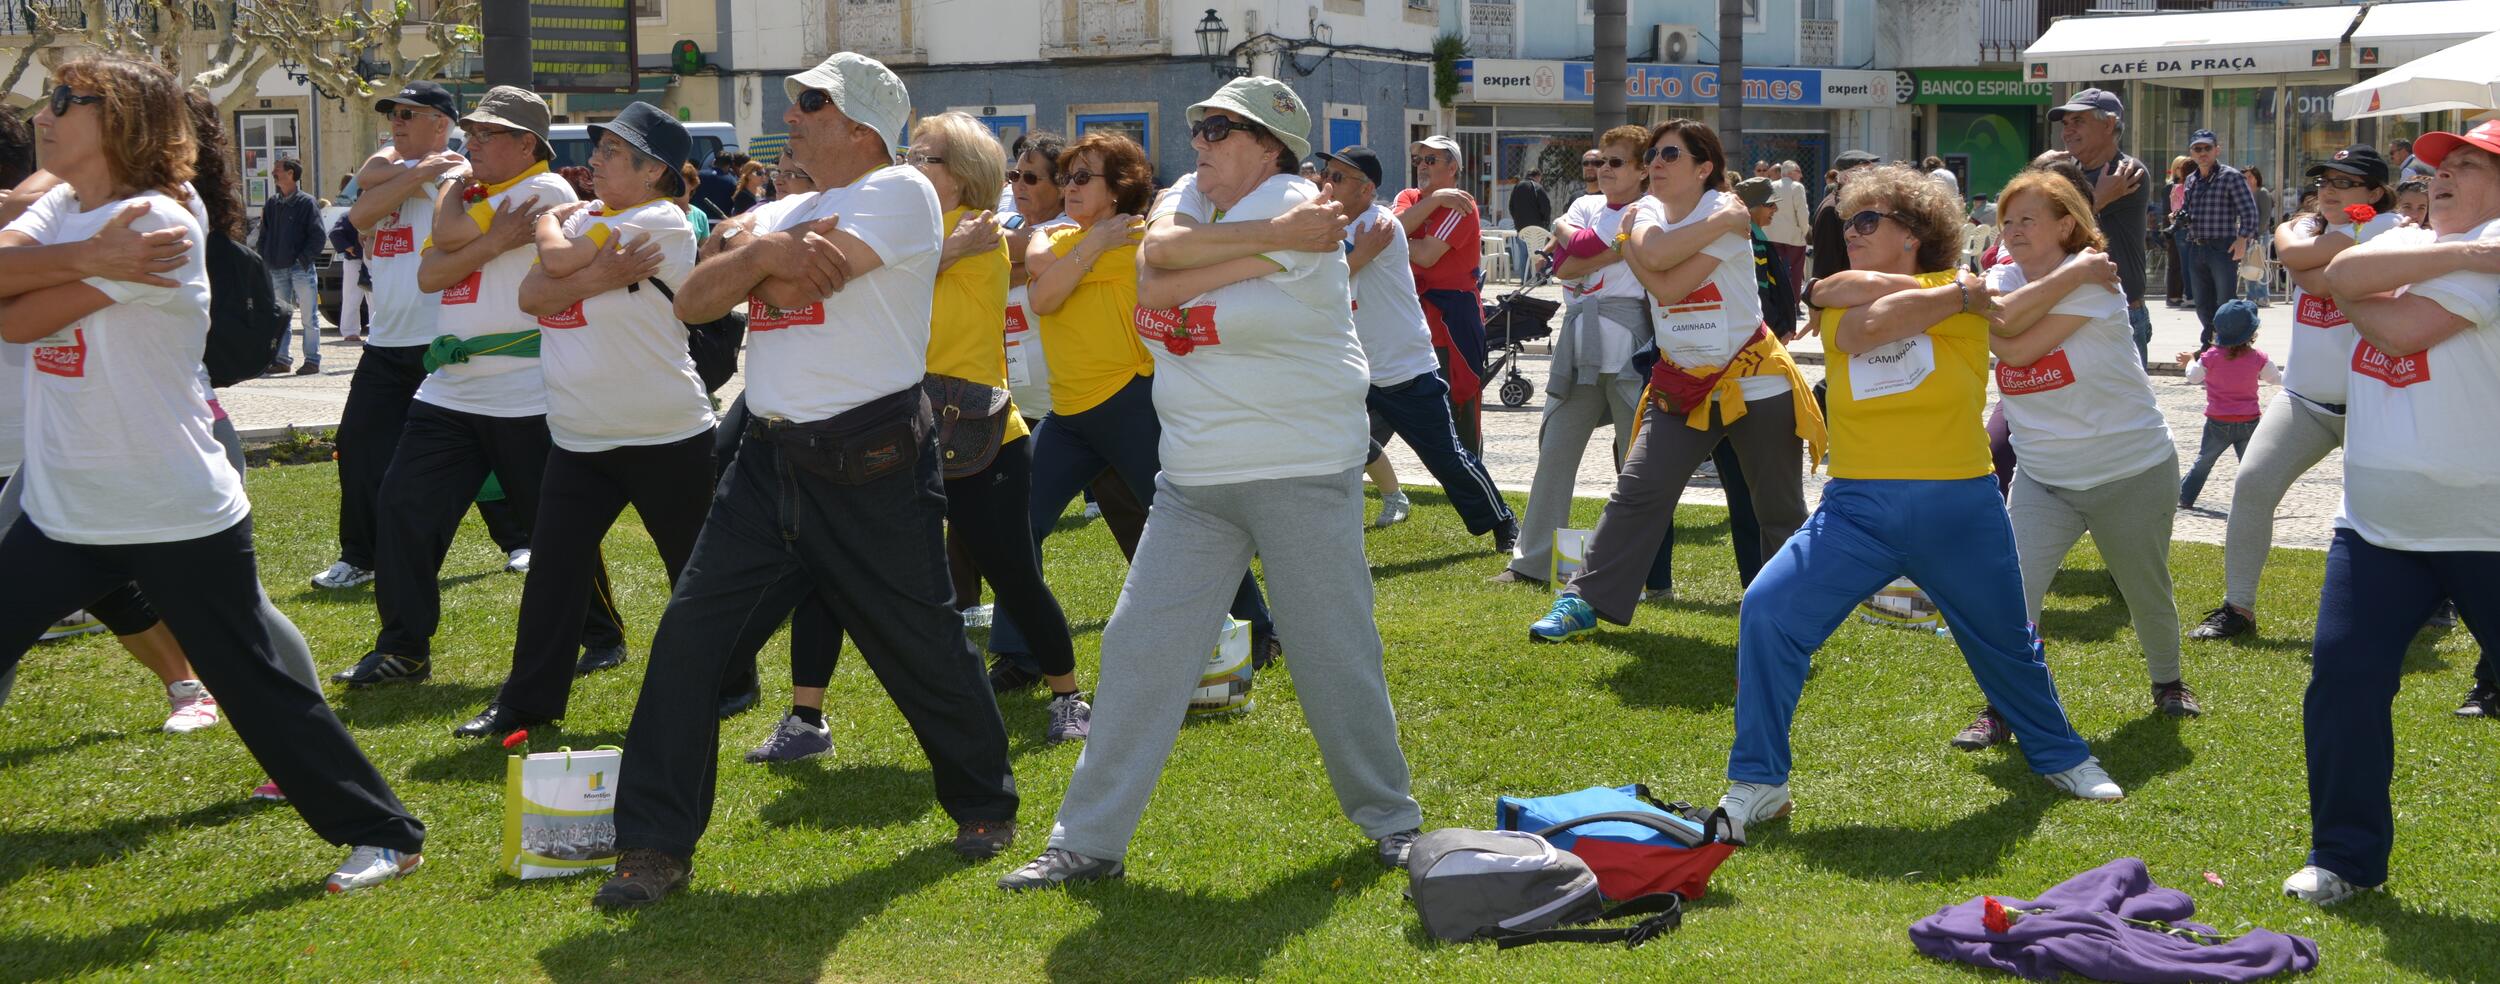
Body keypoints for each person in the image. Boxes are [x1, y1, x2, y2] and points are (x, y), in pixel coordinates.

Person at [593, 53, 1020, 910]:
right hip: (768, 462)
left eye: (810, 103)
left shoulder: (899, 191)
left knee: (922, 645)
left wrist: (751, 254)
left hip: (874, 467)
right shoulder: (789, 208)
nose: (791, 114)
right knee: (686, 644)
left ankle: (984, 803)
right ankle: (651, 846)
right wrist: (772, 248)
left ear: (860, 124)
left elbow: (754, 275)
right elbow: (694, 301)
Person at [0, 54, 425, 894]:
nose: (40, 115)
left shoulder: (160, 217)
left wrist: (70, 262)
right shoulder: (66, 202)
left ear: (119, 121)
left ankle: (387, 833)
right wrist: (91, 258)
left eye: (63, 100)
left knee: (255, 683)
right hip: (63, 505)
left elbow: (17, 324)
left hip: (171, 506)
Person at [998, 75, 1422, 890]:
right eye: (1199, 125)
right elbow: (1153, 273)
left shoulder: (1313, 206)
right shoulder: (1222, 203)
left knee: (1335, 654)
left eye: (1221, 128)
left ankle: (1393, 821)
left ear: (1271, 146)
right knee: (1136, 651)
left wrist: (1199, 261)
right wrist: (1259, 244)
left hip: (1299, 463)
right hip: (1194, 473)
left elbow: (1175, 289)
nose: (1199, 141)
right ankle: (1086, 842)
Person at [1720, 164, 2122, 843]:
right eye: (1846, 222)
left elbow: (1885, 307)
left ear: (1914, 232)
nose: (1851, 233)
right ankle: (1760, 781)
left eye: (1868, 221)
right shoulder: (1910, 295)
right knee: (1769, 611)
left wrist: (1956, 295)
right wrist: (1952, 295)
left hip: (1960, 503)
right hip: (1856, 506)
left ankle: (2061, 755)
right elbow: (1859, 326)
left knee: (2006, 644)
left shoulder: (1969, 292)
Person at [334, 85, 627, 688]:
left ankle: (600, 633)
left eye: (489, 134)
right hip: (451, 389)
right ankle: (404, 648)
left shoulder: (543, 190)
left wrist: (464, 228)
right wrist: (491, 240)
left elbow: (444, 252)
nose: (475, 142)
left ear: (527, 144)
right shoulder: (483, 195)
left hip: (525, 391)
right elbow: (431, 271)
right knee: (402, 507)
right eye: (473, 130)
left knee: (554, 528)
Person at [2283, 120, 2500, 906]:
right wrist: (2454, 252)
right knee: (2343, 684)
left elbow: (2400, 324)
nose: (2440, 177)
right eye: (2438, 167)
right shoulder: (2452, 247)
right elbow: (2323, 264)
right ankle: (2344, 858)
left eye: (2469, 167)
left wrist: (2358, 280)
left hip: (2487, 528)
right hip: (2374, 523)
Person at [451, 102, 715, 740]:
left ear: (654, 172)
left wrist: (549, 228)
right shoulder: (590, 218)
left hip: (666, 434)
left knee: (696, 573)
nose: (593, 162)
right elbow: (532, 296)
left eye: (609, 154)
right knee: (553, 575)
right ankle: (528, 702)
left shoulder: (663, 221)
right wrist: (583, 261)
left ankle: (726, 681)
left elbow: (558, 270)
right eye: (596, 151)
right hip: (578, 436)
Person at [991, 128, 1279, 682]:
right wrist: (1096, 243)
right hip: (1069, 415)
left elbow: (1060, 286)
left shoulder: (1149, 240)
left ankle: (1258, 628)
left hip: (1132, 403)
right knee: (1018, 526)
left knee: (1192, 522)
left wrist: (1089, 252)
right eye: (1066, 177)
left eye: (1082, 177)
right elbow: (1045, 298)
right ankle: (1021, 652)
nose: (1068, 186)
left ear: (1120, 187)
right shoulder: (1049, 238)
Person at [1526, 121, 1819, 640]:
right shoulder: (1684, 213)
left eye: (1669, 154)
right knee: (1637, 490)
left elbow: (1663, 273)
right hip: (1681, 382)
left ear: (1704, 168)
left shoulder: (1709, 212)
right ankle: (1583, 599)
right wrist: (1717, 226)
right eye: (1653, 155)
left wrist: (1644, 247)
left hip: (1754, 378)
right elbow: (1660, 276)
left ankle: (1792, 616)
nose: (1654, 163)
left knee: (1776, 508)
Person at [1948, 171, 2194, 753]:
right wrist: (1996, 298)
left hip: (2130, 468)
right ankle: (2002, 707)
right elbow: (1998, 328)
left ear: (2067, 224)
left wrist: (2074, 273)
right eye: (2007, 220)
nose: (2013, 230)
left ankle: (2169, 682)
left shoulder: (2096, 282)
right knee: (2014, 595)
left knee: (2145, 590)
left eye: (2027, 219)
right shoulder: (2006, 277)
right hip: (2043, 476)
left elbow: (2012, 341)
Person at [2191, 145, 2401, 642]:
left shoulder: (2390, 231)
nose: (2329, 190)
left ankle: (2429, 601)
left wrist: (2308, 255)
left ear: (2375, 193)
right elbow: (2294, 251)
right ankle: (2237, 609)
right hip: (2304, 398)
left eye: (2345, 183)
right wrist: (2310, 253)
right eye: (2325, 181)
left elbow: (2303, 260)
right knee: (2252, 485)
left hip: (2373, 404)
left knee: (2384, 511)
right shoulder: (2317, 228)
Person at [1315, 145, 1518, 550]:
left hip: (1402, 366)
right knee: (1327, 449)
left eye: (1338, 178)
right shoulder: (1339, 222)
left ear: (1366, 188)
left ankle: (1503, 523)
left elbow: (1333, 269)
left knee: (1446, 457)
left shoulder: (1377, 223)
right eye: (1327, 174)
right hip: (1355, 365)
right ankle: (1318, 530)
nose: (1327, 184)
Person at [1497, 125, 1654, 587]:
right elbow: (1565, 261)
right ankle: (1530, 562)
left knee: (1635, 463)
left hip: (1630, 346)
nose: (1602, 170)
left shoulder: (1652, 211)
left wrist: (1580, 245)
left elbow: (1579, 252)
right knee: (1555, 449)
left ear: (1643, 170)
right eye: (1599, 162)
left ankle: (1633, 570)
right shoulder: (1586, 205)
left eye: (1615, 162)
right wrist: (1605, 248)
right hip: (1579, 340)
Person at [1394, 134, 1487, 452]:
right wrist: (1434, 200)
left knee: (1459, 401)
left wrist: (1396, 240)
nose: (1422, 166)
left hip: (1452, 319)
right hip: (1412, 312)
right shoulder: (1408, 195)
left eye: (1431, 160)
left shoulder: (1463, 204)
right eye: (1418, 160)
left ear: (1453, 168)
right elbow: (1389, 231)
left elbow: (1425, 255)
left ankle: (1470, 473)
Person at [2050, 87, 2152, 364]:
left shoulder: (2127, 172)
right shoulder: (2066, 174)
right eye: (2066, 124)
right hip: (2072, 312)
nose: (2068, 131)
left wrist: (2096, 199)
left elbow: (2064, 231)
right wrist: (2100, 198)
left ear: (2108, 124)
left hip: (2118, 311)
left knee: (2127, 405)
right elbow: (2046, 233)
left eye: (2078, 121)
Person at [2175, 301, 2276, 509]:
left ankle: (2185, 497)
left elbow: (2193, 378)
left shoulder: (2210, 357)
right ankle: (2258, 501)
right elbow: (2276, 378)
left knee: (2204, 462)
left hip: (2218, 422)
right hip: (2250, 421)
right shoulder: (2258, 358)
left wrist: (2191, 361)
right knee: (2251, 465)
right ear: (2252, 333)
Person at [2179, 129, 2259, 349]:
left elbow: (2249, 211)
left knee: (2226, 301)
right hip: (2196, 246)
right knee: (2202, 303)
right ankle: (2210, 345)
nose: (2202, 153)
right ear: (2191, 153)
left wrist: (2243, 239)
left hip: (2222, 246)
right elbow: (2188, 210)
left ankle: (2231, 346)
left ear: (2217, 150)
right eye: (2198, 149)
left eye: (2207, 148)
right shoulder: (2191, 180)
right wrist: (2178, 217)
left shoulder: (2231, 176)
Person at [256, 156, 325, 375]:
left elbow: (318, 236)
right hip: (276, 268)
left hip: (300, 269)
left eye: (277, 170)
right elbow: (264, 235)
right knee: (282, 317)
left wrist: (301, 260)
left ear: (291, 174)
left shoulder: (306, 202)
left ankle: (312, 360)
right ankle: (282, 360)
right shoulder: (272, 203)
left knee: (309, 317)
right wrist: (265, 258)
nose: (273, 174)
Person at [1808, 149, 1877, 279]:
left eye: (1872, 172)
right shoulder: (1831, 210)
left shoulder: (1850, 204)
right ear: (1846, 177)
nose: (1872, 178)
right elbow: (1825, 268)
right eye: (1866, 173)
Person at [1766, 161, 1810, 309]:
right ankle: (1793, 303)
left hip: (1772, 236)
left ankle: (1776, 301)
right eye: (1799, 171)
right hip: (1793, 238)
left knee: (1775, 270)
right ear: (1791, 173)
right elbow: (1802, 213)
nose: (1801, 175)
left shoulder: (1771, 185)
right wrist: (1803, 232)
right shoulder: (1797, 187)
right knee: (1795, 273)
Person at [1506, 165, 1550, 278]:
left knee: (1524, 254)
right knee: (1540, 253)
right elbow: (1546, 207)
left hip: (1521, 228)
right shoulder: (1537, 187)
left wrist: (1517, 220)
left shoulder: (1517, 187)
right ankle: (1541, 277)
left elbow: (1511, 206)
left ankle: (1524, 278)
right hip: (1537, 228)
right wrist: (1545, 221)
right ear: (1538, 176)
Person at [2164, 155, 2194, 309]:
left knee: (2184, 264)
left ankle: (2187, 294)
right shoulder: (2178, 188)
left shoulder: (2176, 188)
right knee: (2186, 264)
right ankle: (2187, 294)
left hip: (2178, 227)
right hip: (2182, 228)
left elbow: (2174, 209)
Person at [2244, 167, 2273, 306]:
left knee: (2259, 265)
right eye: (2245, 177)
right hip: (2246, 235)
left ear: (2256, 177)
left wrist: (2256, 233)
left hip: (2260, 235)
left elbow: (2265, 216)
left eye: (2250, 176)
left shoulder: (2262, 193)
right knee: (2248, 266)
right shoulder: (2244, 193)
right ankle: (2251, 295)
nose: (2247, 180)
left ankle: (2263, 296)